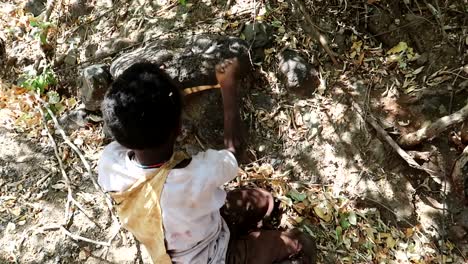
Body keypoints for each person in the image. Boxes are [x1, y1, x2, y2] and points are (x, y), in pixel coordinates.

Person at [98, 58, 317, 264]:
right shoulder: (194, 175)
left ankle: (250, 236)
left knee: (265, 200)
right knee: (301, 243)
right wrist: (228, 88)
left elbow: (137, 127)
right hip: (213, 257)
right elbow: (235, 150)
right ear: (179, 129)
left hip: (181, 241)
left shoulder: (109, 163)